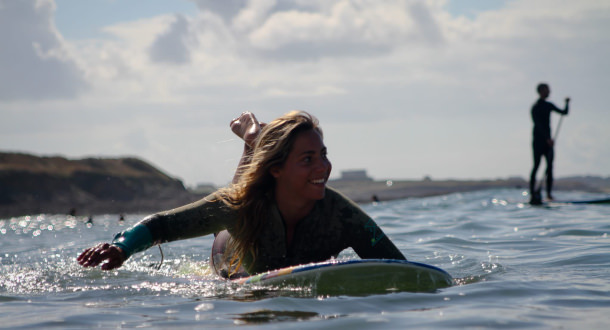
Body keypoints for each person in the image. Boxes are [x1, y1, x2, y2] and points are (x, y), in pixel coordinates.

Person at [77, 111, 406, 277]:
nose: (323, 167)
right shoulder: (235, 206)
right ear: (277, 168)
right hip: (230, 255)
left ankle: (255, 140)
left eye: (324, 155)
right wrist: (121, 247)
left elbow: (402, 269)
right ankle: (253, 138)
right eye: (308, 159)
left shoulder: (342, 215)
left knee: (245, 190)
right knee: (240, 195)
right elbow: (162, 225)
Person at [529, 83, 570, 204]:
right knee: (536, 165)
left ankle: (549, 194)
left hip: (548, 142)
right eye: (547, 90)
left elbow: (564, 112)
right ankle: (532, 193)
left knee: (550, 167)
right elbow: (538, 124)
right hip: (538, 141)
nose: (549, 92)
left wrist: (567, 103)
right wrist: (547, 138)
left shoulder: (548, 105)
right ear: (541, 91)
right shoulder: (535, 107)